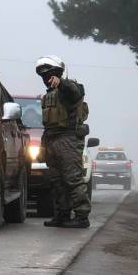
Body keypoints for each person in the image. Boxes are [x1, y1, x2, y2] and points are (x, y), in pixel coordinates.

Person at [37, 55, 91, 228]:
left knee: (73, 179)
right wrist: (43, 147)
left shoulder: (71, 87)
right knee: (57, 181)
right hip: (52, 140)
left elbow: (73, 92)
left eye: (50, 74)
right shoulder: (47, 97)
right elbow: (48, 125)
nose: (46, 78)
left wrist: (61, 83)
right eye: (43, 76)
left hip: (68, 139)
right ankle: (62, 215)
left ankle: (82, 216)